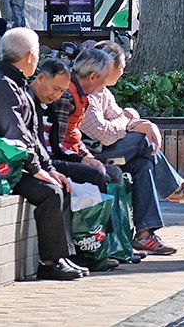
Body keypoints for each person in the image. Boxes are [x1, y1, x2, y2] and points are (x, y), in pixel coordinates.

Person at [0, 27, 86, 281]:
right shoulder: (3, 87)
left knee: (59, 185)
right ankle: (50, 262)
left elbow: (32, 137)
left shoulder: (16, 86)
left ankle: (63, 256)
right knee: (50, 192)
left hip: (14, 164)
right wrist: (38, 170)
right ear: (30, 57)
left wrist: (50, 169)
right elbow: (16, 135)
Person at [50, 46, 179, 256]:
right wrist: (85, 158)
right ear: (93, 77)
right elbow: (69, 139)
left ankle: (137, 237)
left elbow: (73, 136)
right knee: (130, 152)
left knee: (141, 164)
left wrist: (86, 156)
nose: (102, 88)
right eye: (102, 81)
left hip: (84, 152)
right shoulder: (70, 94)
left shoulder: (89, 93)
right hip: (72, 155)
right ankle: (109, 246)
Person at [81, 41, 184, 206]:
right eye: (121, 66)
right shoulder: (87, 95)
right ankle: (176, 187)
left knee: (143, 165)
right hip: (90, 153)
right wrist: (129, 120)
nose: (123, 70)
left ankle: (148, 223)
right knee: (143, 139)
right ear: (108, 67)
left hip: (103, 147)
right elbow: (106, 134)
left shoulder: (103, 92)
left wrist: (145, 124)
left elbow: (123, 117)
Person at [29, 57, 126, 271]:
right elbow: (59, 140)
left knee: (115, 171)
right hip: (48, 159)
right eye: (56, 89)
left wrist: (84, 157)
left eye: (60, 90)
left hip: (55, 156)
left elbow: (67, 137)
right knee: (95, 176)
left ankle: (106, 243)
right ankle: (94, 248)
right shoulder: (64, 97)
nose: (56, 95)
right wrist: (77, 160)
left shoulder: (70, 96)